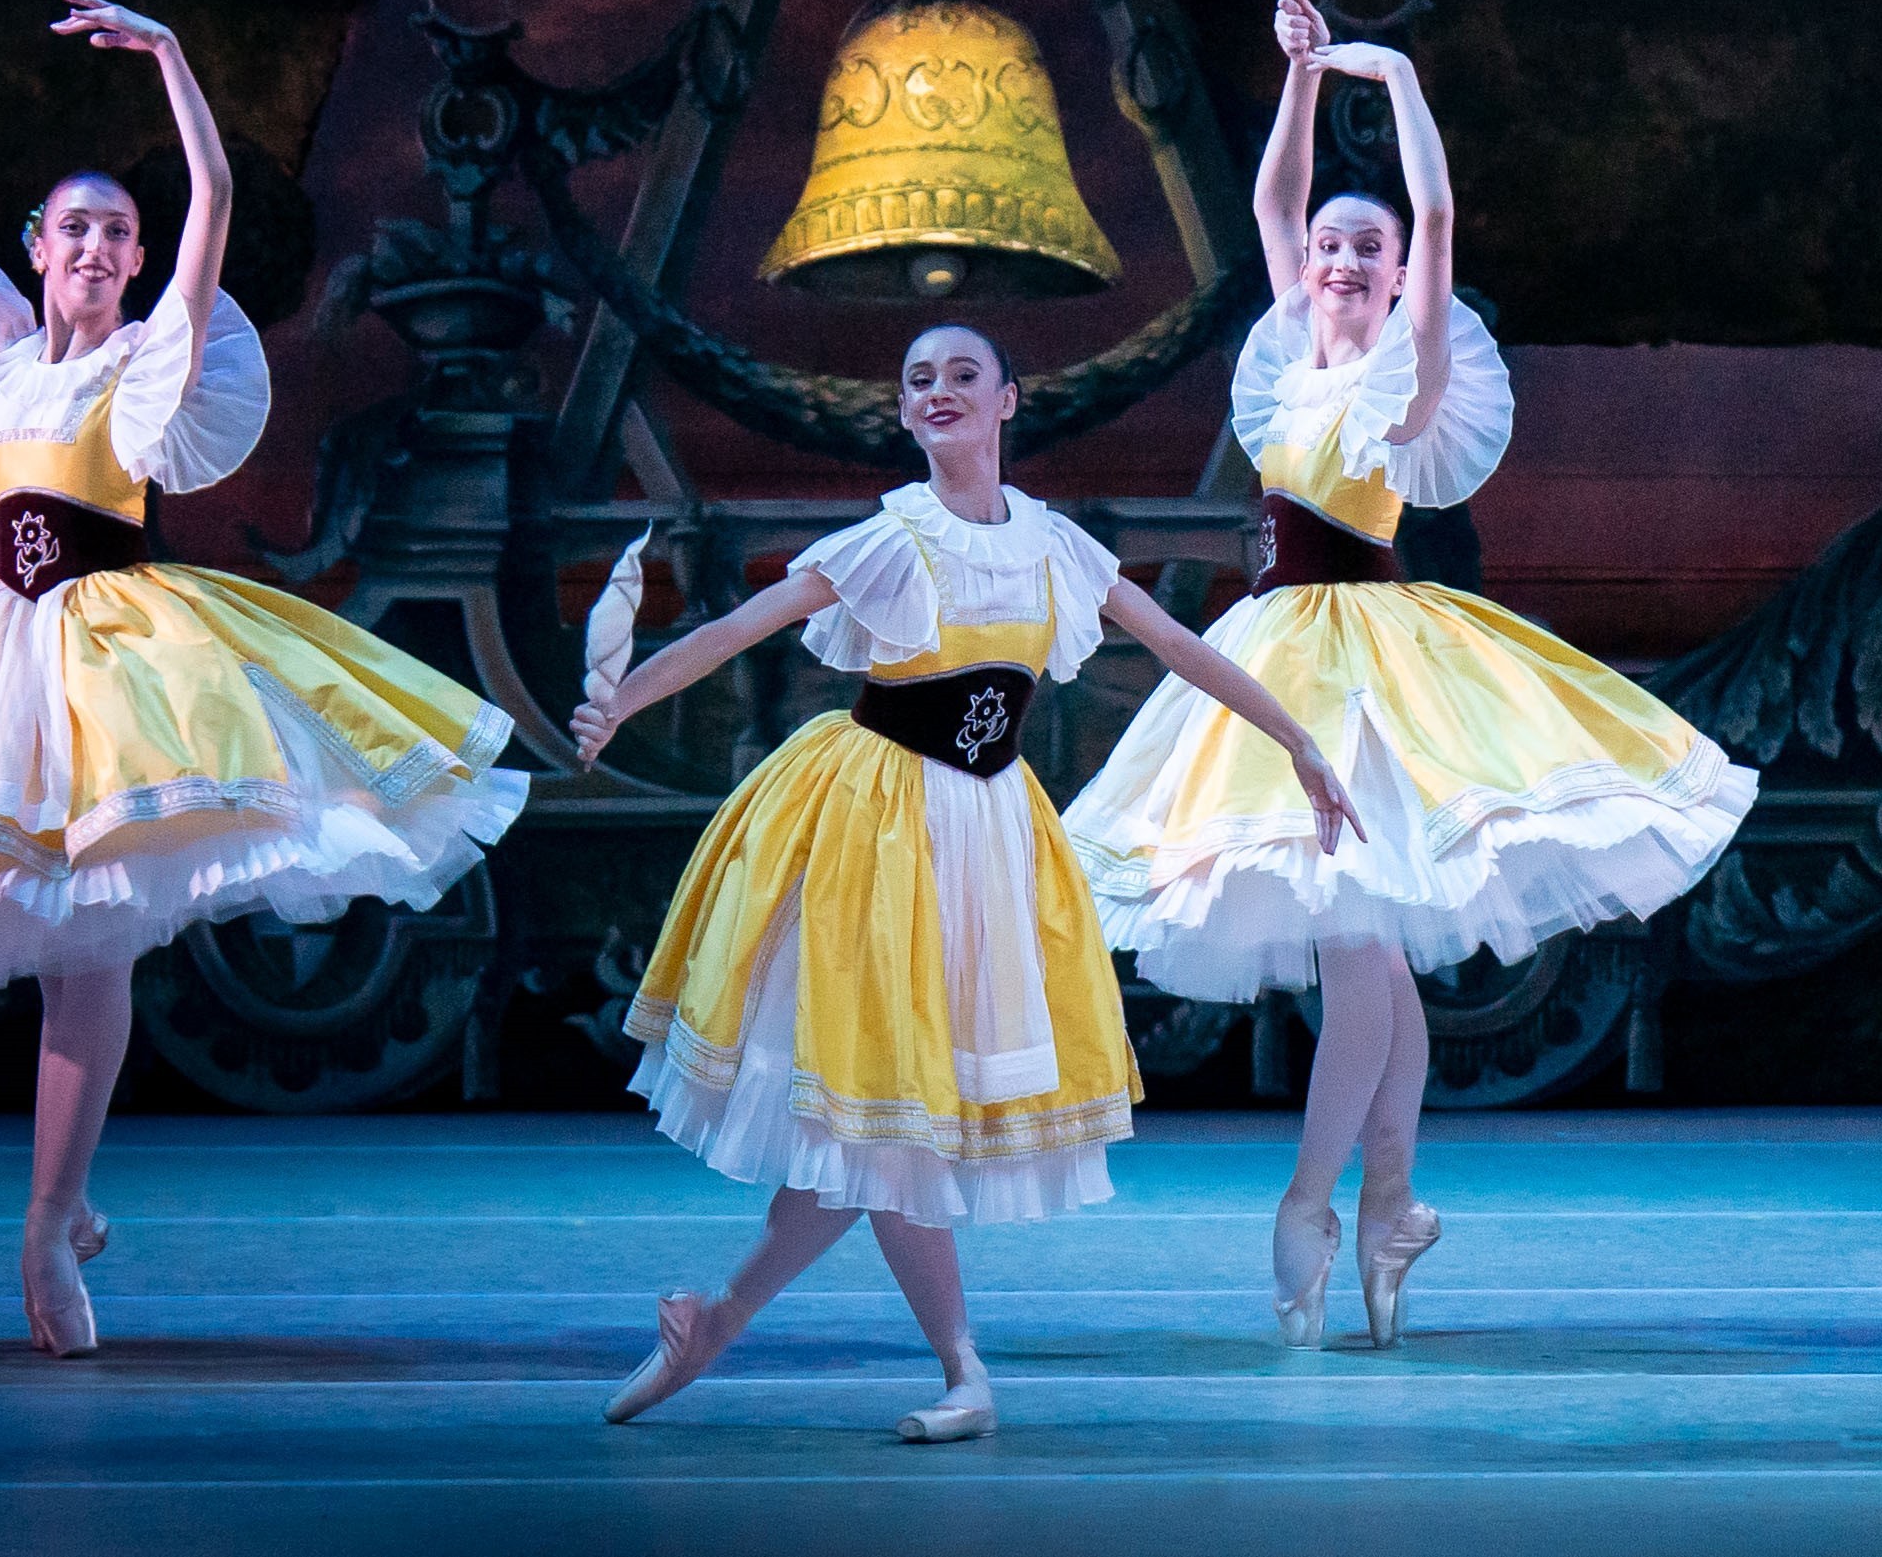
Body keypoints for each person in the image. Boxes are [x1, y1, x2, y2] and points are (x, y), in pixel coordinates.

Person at [0, 0, 525, 1356]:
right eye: (76, 226)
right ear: (40, 249)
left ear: (136, 263)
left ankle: (46, 1222)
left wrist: (170, 53)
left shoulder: (149, 360)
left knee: (93, 948)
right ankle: (63, 1204)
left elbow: (215, 201)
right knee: (60, 953)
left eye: (117, 233)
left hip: (120, 654)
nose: (96, 245)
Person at [1063, 6, 1756, 1348]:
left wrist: (1397, 75)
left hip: (1371, 660)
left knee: (1363, 945)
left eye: (1362, 249)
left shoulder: (1408, 369)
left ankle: (1313, 1202)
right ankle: (1390, 1207)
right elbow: (1275, 189)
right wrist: (1298, 70)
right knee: (1368, 954)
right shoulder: (1284, 355)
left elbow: (1435, 216)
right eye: (1329, 244)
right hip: (1278, 656)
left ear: (1390, 280)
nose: (1340, 257)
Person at [573, 325, 1356, 1440]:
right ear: (905, 415)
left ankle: (730, 1325)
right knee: (890, 1125)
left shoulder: (1051, 547)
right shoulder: (894, 540)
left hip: (984, 838)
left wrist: (1299, 741)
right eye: (917, 380)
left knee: (884, 1131)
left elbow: (1182, 644)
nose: (937, 390)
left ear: (1008, 401)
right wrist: (623, 700)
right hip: (877, 834)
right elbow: (741, 625)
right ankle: (948, 1370)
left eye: (961, 375)